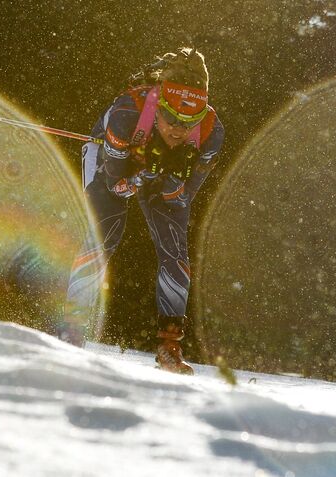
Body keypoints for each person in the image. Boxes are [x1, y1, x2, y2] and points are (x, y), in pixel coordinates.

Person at [60, 47, 225, 374]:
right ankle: (71, 330)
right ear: (158, 104)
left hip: (153, 171)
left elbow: (185, 197)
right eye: (171, 118)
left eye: (188, 121)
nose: (178, 129)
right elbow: (113, 184)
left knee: (175, 250)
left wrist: (173, 183)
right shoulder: (126, 112)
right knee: (105, 232)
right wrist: (143, 172)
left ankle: (169, 345)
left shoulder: (211, 132)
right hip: (113, 162)